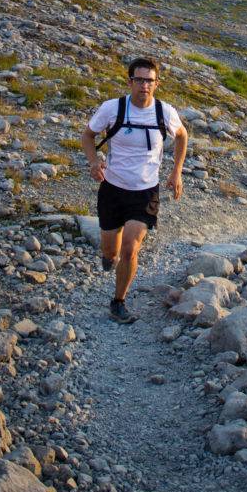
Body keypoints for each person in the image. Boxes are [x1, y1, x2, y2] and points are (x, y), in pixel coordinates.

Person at [81, 57, 188, 323]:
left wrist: (176, 171)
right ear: (130, 82)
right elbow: (87, 135)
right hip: (112, 188)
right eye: (139, 80)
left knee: (130, 247)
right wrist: (94, 162)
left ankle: (118, 302)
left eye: (149, 80)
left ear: (156, 83)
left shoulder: (165, 112)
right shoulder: (112, 108)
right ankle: (110, 258)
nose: (144, 85)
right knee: (111, 251)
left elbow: (183, 136)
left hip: (145, 192)